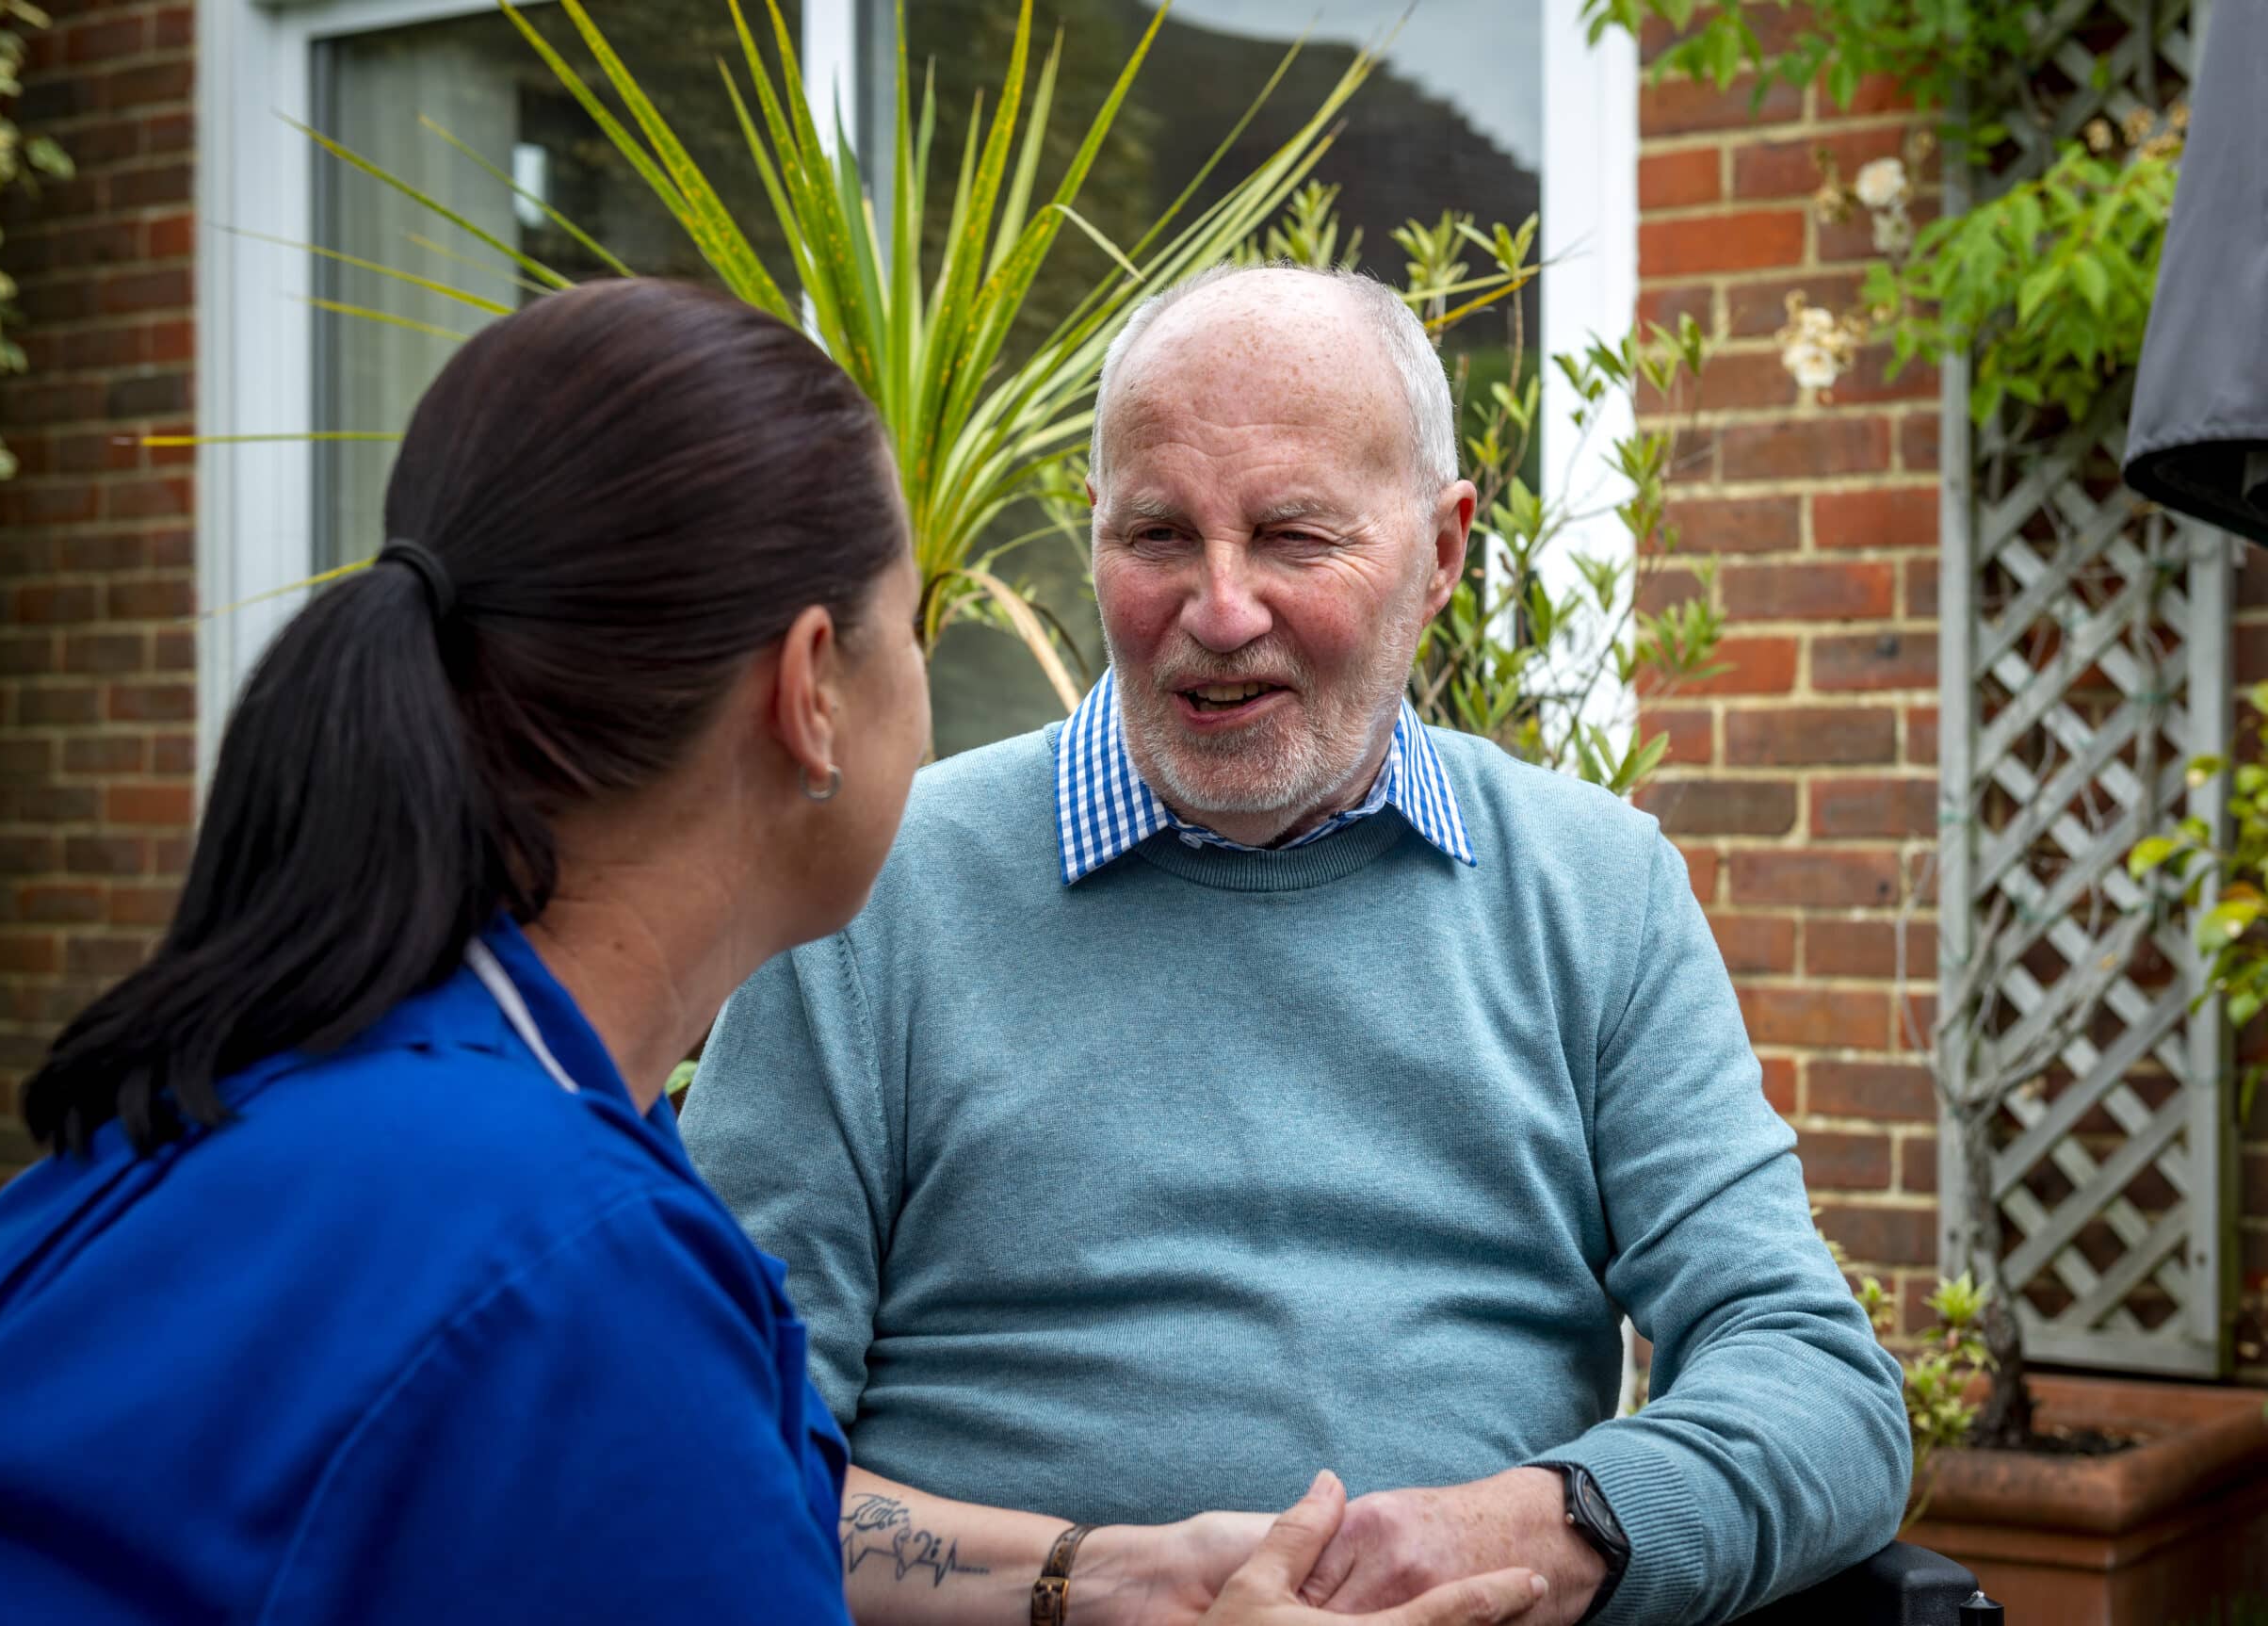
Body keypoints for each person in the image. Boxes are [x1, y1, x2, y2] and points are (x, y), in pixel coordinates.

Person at [0, 279, 1538, 1626]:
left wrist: (1099, 1577)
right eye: (911, 630)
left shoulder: (274, 1090)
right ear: (812, 688)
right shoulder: (578, 1273)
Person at [681, 264, 1916, 1625]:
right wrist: (1073, 1585)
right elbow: (709, 1458)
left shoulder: (1595, 890)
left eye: (1293, 537)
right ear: (1091, 534)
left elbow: (1821, 1385)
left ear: (1444, 554)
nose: (1219, 609)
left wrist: (1536, 1533)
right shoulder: (872, 892)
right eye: (1158, 535)